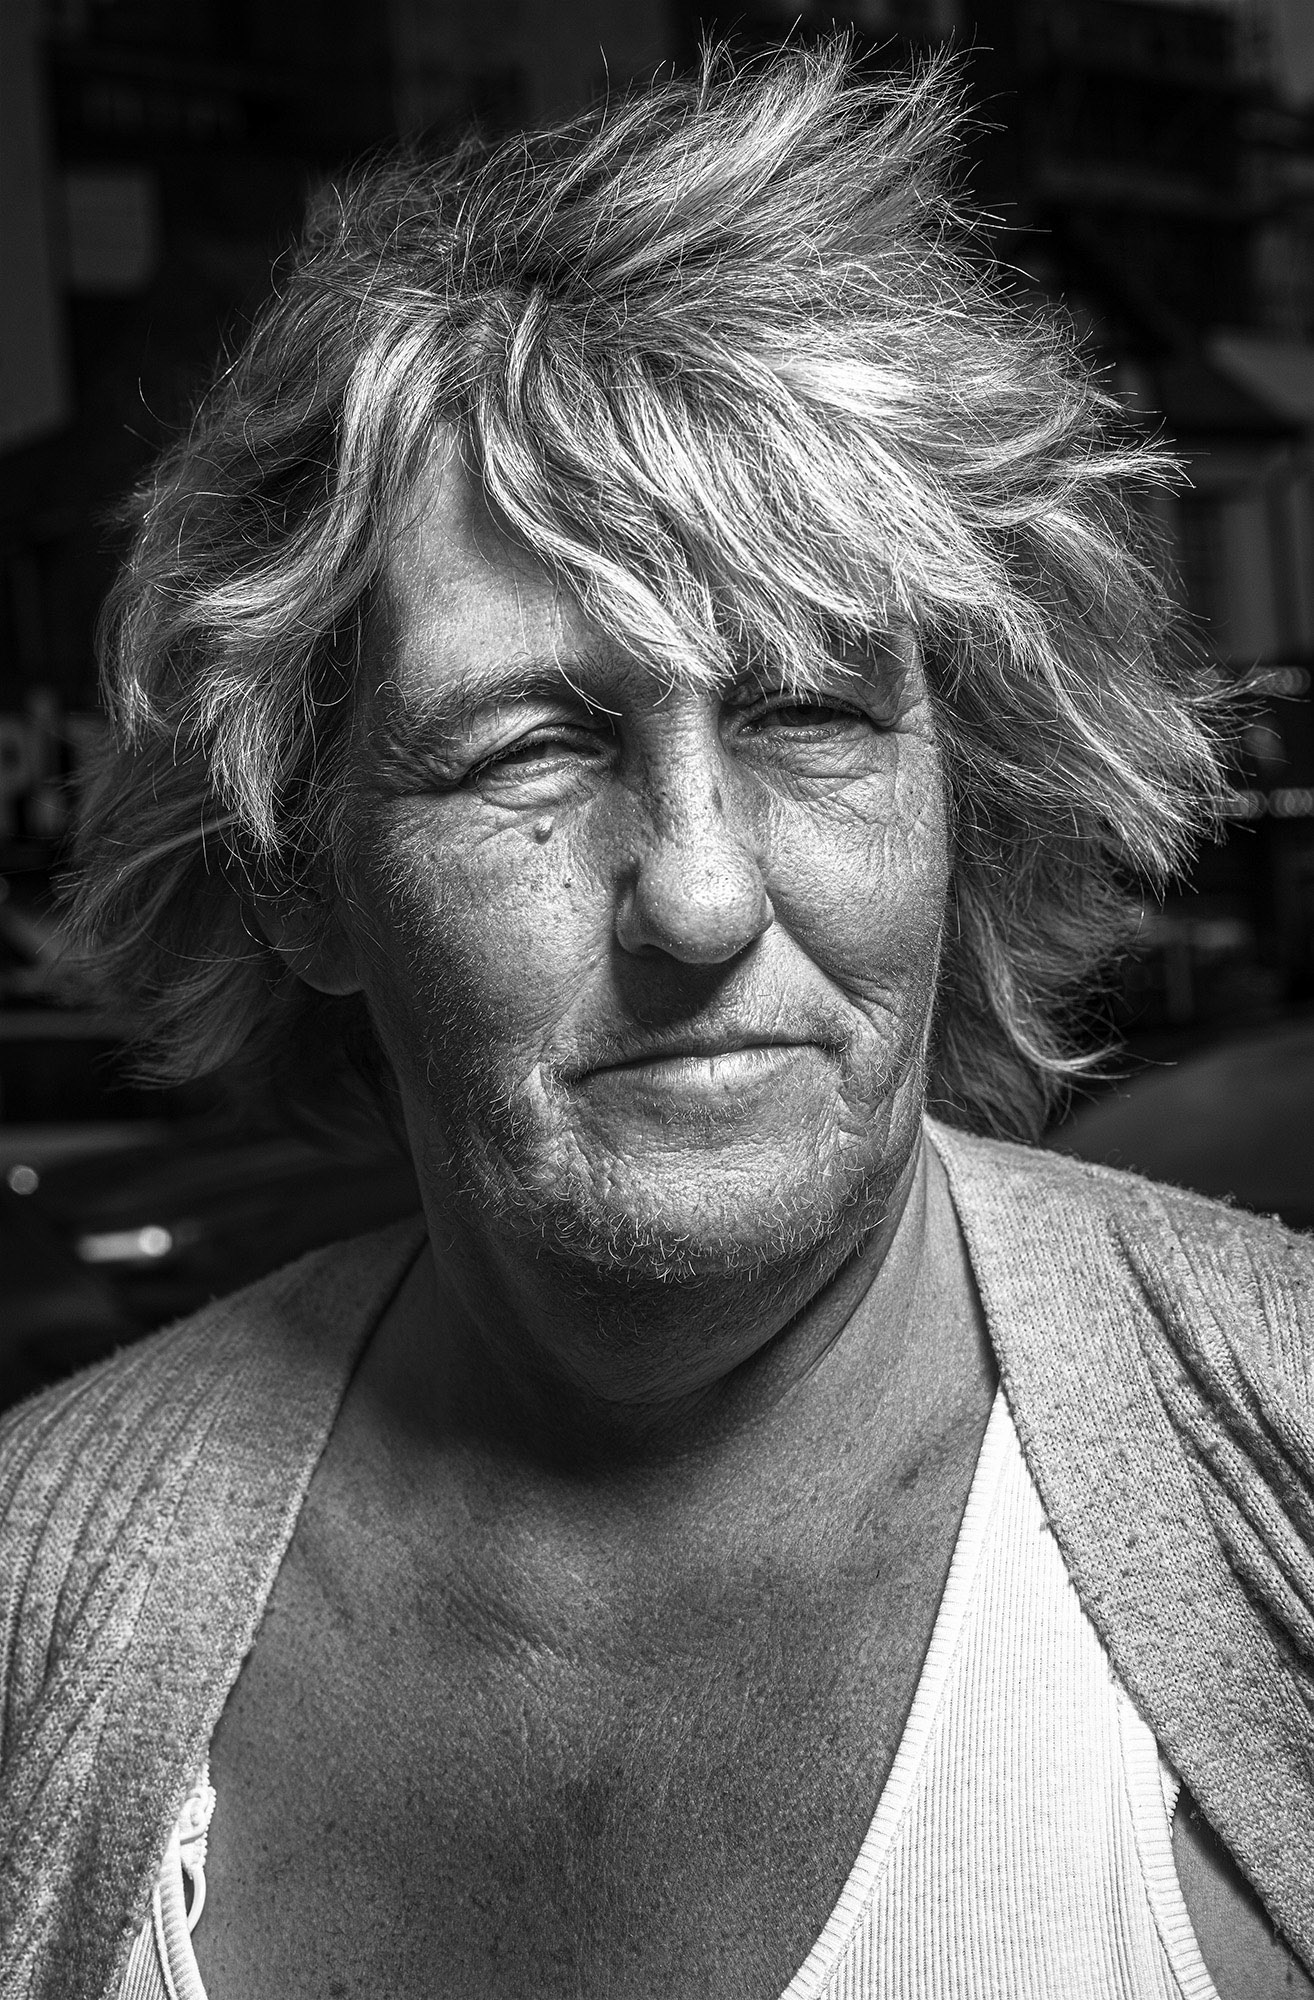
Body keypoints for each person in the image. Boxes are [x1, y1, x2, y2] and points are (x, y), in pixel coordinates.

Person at [2, 39, 1312, 2000]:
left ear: (967, 786)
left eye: (807, 713)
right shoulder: (36, 1589)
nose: (699, 896)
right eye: (528, 747)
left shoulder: (1283, 1454)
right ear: (297, 872)